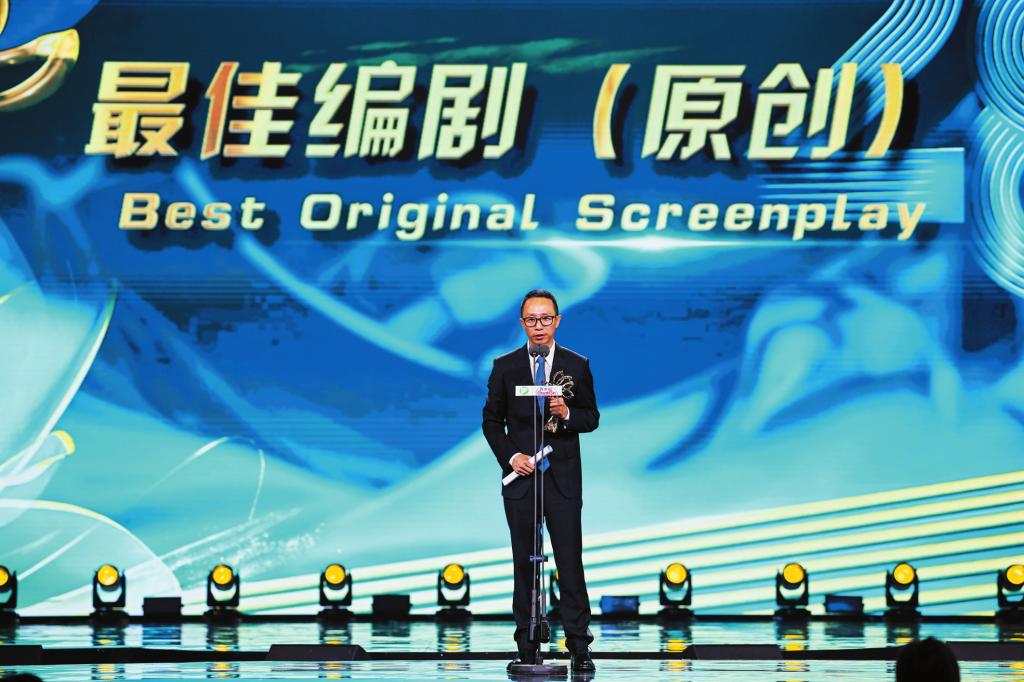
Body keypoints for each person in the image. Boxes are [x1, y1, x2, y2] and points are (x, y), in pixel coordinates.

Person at [482, 289, 599, 673]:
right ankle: (527, 645)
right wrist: (511, 456)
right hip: (522, 479)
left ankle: (579, 646)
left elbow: (591, 418)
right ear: (522, 324)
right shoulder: (505, 366)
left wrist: (566, 414)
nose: (539, 326)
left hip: (562, 480)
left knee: (569, 562)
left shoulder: (576, 365)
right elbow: (491, 421)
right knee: (524, 562)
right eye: (531, 319)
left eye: (545, 318)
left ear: (557, 321)